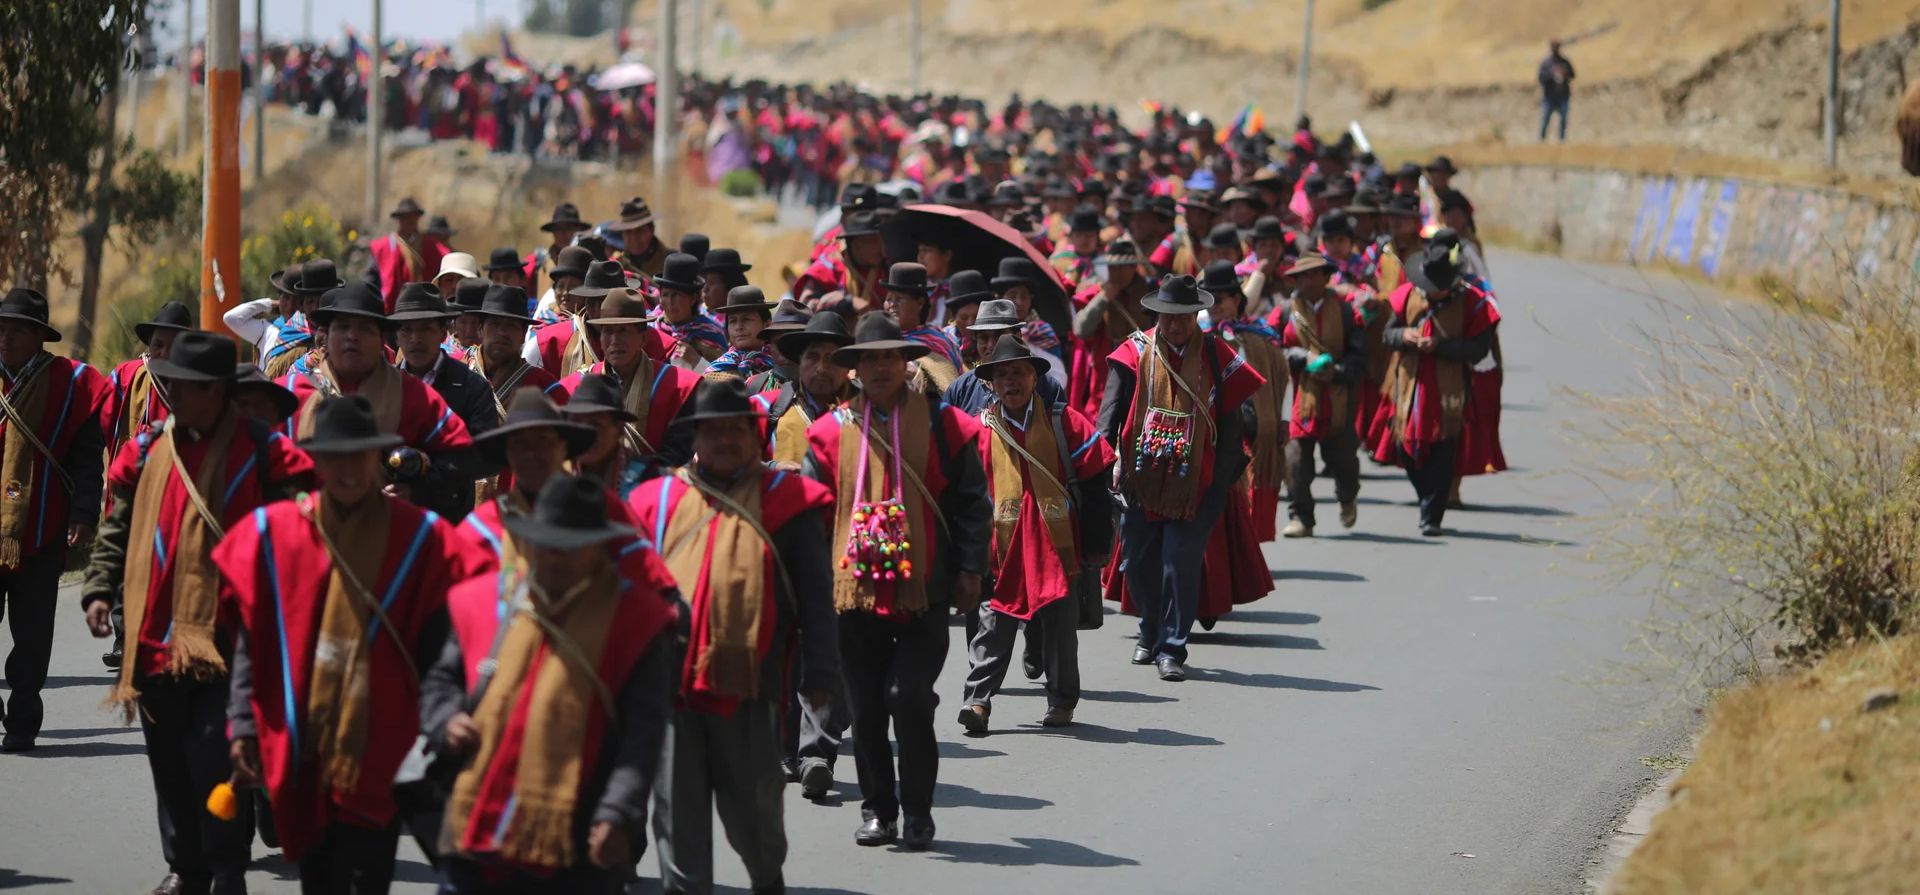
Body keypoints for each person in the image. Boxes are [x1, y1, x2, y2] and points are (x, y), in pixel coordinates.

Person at [81, 332, 314, 895]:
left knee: (217, 757)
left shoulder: (264, 452)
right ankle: (186, 868)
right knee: (169, 765)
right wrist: (97, 587)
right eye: (175, 386)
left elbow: (303, 522)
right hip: (157, 635)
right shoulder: (146, 450)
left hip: (233, 639)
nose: (176, 396)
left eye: (189, 388)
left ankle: (228, 869)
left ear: (220, 393)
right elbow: (118, 526)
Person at [216, 395, 466, 892]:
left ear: (379, 457)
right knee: (318, 877)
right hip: (302, 741)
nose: (348, 470)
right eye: (334, 457)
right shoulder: (276, 534)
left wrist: (443, 717)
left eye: (360, 455)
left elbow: (445, 647)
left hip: (383, 742)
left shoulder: (422, 539)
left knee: (363, 877)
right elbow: (253, 642)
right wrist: (243, 722)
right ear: (315, 461)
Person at [631, 379, 840, 895]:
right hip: (670, 692)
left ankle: (767, 879)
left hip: (751, 690)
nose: (725, 440)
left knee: (755, 823)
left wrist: (821, 675)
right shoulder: (654, 501)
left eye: (736, 430)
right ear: (695, 437)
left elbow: (816, 596)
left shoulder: (789, 501)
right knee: (678, 831)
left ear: (755, 435)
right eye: (712, 430)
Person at [427, 473, 679, 895]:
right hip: (477, 823)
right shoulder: (486, 599)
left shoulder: (637, 620)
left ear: (599, 549)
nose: (556, 558)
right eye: (547, 543)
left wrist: (617, 812)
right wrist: (444, 719)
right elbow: (441, 679)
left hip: (578, 835)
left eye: (571, 547)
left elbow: (643, 733)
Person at [802, 313, 990, 850]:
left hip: (924, 591)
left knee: (907, 699)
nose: (880, 366)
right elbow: (811, 520)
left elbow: (972, 505)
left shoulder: (946, 426)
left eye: (889, 356)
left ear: (906, 363)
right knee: (864, 708)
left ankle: (918, 813)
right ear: (855, 369)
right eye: (869, 358)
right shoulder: (826, 435)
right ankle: (877, 810)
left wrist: (972, 570)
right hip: (851, 596)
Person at [1098, 275, 1265, 681]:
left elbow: (1233, 424)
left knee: (1180, 564)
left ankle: (1172, 648)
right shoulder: (1133, 352)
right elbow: (1109, 417)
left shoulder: (1214, 353)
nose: (1175, 325)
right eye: (1168, 317)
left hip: (1198, 484)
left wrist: (1220, 483)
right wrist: (1101, 472)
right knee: (1138, 564)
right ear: (1156, 314)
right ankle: (1149, 630)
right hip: (1141, 481)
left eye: (1184, 316)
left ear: (1196, 315)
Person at [958, 339, 1113, 733]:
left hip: (1057, 545)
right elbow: (964, 497)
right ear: (990, 383)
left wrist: (1097, 542)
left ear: (1033, 377)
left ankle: (1061, 702)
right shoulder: (978, 431)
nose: (1011, 381)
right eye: (1002, 374)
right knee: (994, 625)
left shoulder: (1064, 422)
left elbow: (1095, 482)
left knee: (1061, 627)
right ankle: (977, 701)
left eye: (1018, 372)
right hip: (1003, 549)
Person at [0, 287, 111, 752]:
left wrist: (84, 515)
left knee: (32, 636)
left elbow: (87, 460)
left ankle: (23, 719)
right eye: (0, 329)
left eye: (16, 331)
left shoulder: (71, 385)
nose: (4, 338)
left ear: (40, 337)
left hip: (42, 532)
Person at [281, 281, 480, 523]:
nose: (352, 337)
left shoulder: (414, 395)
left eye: (365, 328)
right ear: (325, 336)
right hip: (309, 535)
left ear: (382, 339)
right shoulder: (290, 394)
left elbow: (461, 460)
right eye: (342, 327)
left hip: (391, 537)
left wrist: (417, 492)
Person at [1372, 244, 1500, 535]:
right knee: (1406, 451)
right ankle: (1427, 497)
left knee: (1443, 451)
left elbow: (1479, 349)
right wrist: (1404, 335)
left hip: (1449, 390)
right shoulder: (1407, 296)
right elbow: (1387, 334)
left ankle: (1432, 516)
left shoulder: (1473, 302)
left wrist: (1441, 346)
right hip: (1408, 387)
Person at [559, 288, 701, 473]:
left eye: (624, 331)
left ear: (643, 338)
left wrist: (629, 472)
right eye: (608, 331)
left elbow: (678, 454)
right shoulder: (575, 387)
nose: (615, 340)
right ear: (600, 338)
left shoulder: (680, 388)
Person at [390, 284, 500, 519]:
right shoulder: (381, 387)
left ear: (443, 332)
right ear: (396, 335)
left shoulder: (472, 387)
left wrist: (422, 482)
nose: (415, 339)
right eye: (407, 330)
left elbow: (487, 458)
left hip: (449, 519)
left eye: (425, 329)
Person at [1277, 255, 1367, 537]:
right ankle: (1301, 517)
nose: (1308, 280)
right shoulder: (1283, 313)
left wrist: (1337, 371)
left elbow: (1361, 355)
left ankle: (1347, 497)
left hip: (1338, 398)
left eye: (1315, 274)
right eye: (1302, 275)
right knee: (1295, 460)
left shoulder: (1346, 311)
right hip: (1299, 399)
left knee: (1343, 461)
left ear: (1327, 277)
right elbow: (1272, 348)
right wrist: (1303, 358)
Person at [1200, 261, 1289, 543]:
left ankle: (1248, 550)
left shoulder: (1260, 338)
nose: (1214, 306)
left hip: (1254, 427)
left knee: (1253, 487)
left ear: (1237, 300)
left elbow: (1283, 378)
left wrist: (1284, 419)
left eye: (1220, 299)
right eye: (1209, 299)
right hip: (1213, 429)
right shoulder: (1196, 337)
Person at [1068, 240, 1152, 421]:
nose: (1115, 273)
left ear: (1133, 267)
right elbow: (1080, 329)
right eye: (1112, 268)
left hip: (1144, 365)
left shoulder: (1150, 292)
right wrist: (1104, 298)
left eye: (1121, 267)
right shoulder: (1099, 292)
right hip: (1109, 369)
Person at [943, 298, 1066, 415]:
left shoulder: (1047, 388)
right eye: (984, 338)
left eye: (998, 336)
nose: (991, 345)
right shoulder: (960, 390)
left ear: (1018, 336)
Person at [107, 300, 195, 449]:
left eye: (174, 346)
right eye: (158, 345)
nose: (165, 354)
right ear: (149, 344)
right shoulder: (126, 377)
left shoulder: (202, 388)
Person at [526, 256, 623, 376]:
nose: (600, 310)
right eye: (594, 302)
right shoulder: (548, 343)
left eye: (612, 302)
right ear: (587, 304)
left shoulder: (646, 338)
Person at [880, 262, 965, 392]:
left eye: (898, 299)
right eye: (889, 299)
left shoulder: (940, 340)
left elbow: (948, 384)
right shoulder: (880, 340)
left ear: (919, 303)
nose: (892, 304)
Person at [366, 197, 450, 310]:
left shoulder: (431, 245)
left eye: (412, 216)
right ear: (398, 219)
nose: (409, 220)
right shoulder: (384, 247)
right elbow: (371, 280)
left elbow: (446, 265)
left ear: (417, 217)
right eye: (404, 217)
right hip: (394, 306)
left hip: (426, 304)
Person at [653, 253, 726, 372]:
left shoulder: (711, 334)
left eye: (677, 295)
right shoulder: (651, 330)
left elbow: (724, 381)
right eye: (665, 295)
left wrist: (696, 360)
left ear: (693, 299)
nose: (670, 302)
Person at [987, 257, 1063, 360]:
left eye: (1024, 296)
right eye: (1012, 296)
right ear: (999, 298)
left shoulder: (1043, 333)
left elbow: (1057, 373)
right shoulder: (989, 333)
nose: (1019, 302)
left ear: (1031, 299)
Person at [704, 286, 777, 380]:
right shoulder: (716, 374)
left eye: (746, 319)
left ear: (767, 325)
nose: (739, 327)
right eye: (733, 321)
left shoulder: (782, 365)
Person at [524, 202, 587, 297]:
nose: (563, 233)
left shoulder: (588, 261)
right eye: (558, 228)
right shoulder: (539, 261)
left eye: (568, 228)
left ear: (578, 230)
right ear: (553, 232)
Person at [604, 197, 668, 278]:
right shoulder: (616, 265)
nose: (634, 238)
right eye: (628, 231)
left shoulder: (669, 263)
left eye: (639, 230)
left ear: (652, 230)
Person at [1538, 40, 1575, 142]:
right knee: (1545, 119)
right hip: (1549, 97)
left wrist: (1564, 73)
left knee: (1563, 120)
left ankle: (1561, 140)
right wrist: (1552, 75)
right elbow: (1540, 77)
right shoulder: (1546, 63)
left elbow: (1573, 75)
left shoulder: (1564, 62)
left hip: (1562, 96)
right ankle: (1541, 140)